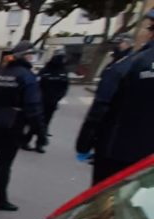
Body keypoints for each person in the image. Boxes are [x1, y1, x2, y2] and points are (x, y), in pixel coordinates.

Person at [77, 13, 154, 184]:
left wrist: (85, 142)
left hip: (117, 151)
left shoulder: (131, 63)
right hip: (149, 160)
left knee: (104, 203)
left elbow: (102, 106)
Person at [0, 41, 45, 211]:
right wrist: (40, 132)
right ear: (24, 55)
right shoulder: (26, 76)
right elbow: (33, 107)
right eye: (30, 54)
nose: (32, 57)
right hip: (13, 125)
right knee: (4, 164)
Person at [98, 10, 154, 176]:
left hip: (121, 151)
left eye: (150, 28)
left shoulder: (137, 62)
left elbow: (108, 104)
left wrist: (89, 138)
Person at [22, 49, 69, 153]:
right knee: (34, 123)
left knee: (45, 124)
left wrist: (58, 97)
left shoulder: (63, 72)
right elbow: (37, 85)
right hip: (40, 101)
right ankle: (25, 141)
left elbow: (65, 87)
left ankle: (39, 144)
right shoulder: (45, 70)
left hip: (52, 102)